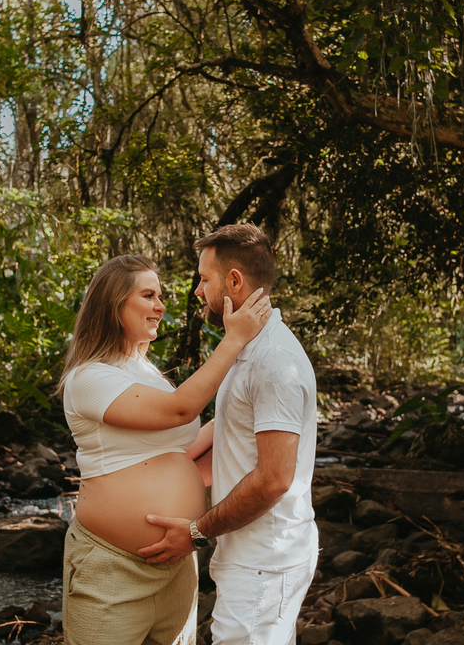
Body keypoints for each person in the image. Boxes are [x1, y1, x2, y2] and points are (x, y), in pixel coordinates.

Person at [58, 254, 272, 645]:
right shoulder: (88, 376)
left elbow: (184, 451)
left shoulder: (149, 375)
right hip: (113, 568)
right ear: (113, 303)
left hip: (178, 564)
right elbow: (180, 410)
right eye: (148, 295)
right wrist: (235, 338)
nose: (160, 306)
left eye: (160, 296)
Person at [139, 224, 319, 645]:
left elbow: (275, 478)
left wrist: (197, 532)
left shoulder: (274, 361)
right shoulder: (249, 349)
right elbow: (232, 430)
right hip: (252, 559)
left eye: (204, 279)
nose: (197, 291)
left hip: (265, 564)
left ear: (233, 281)